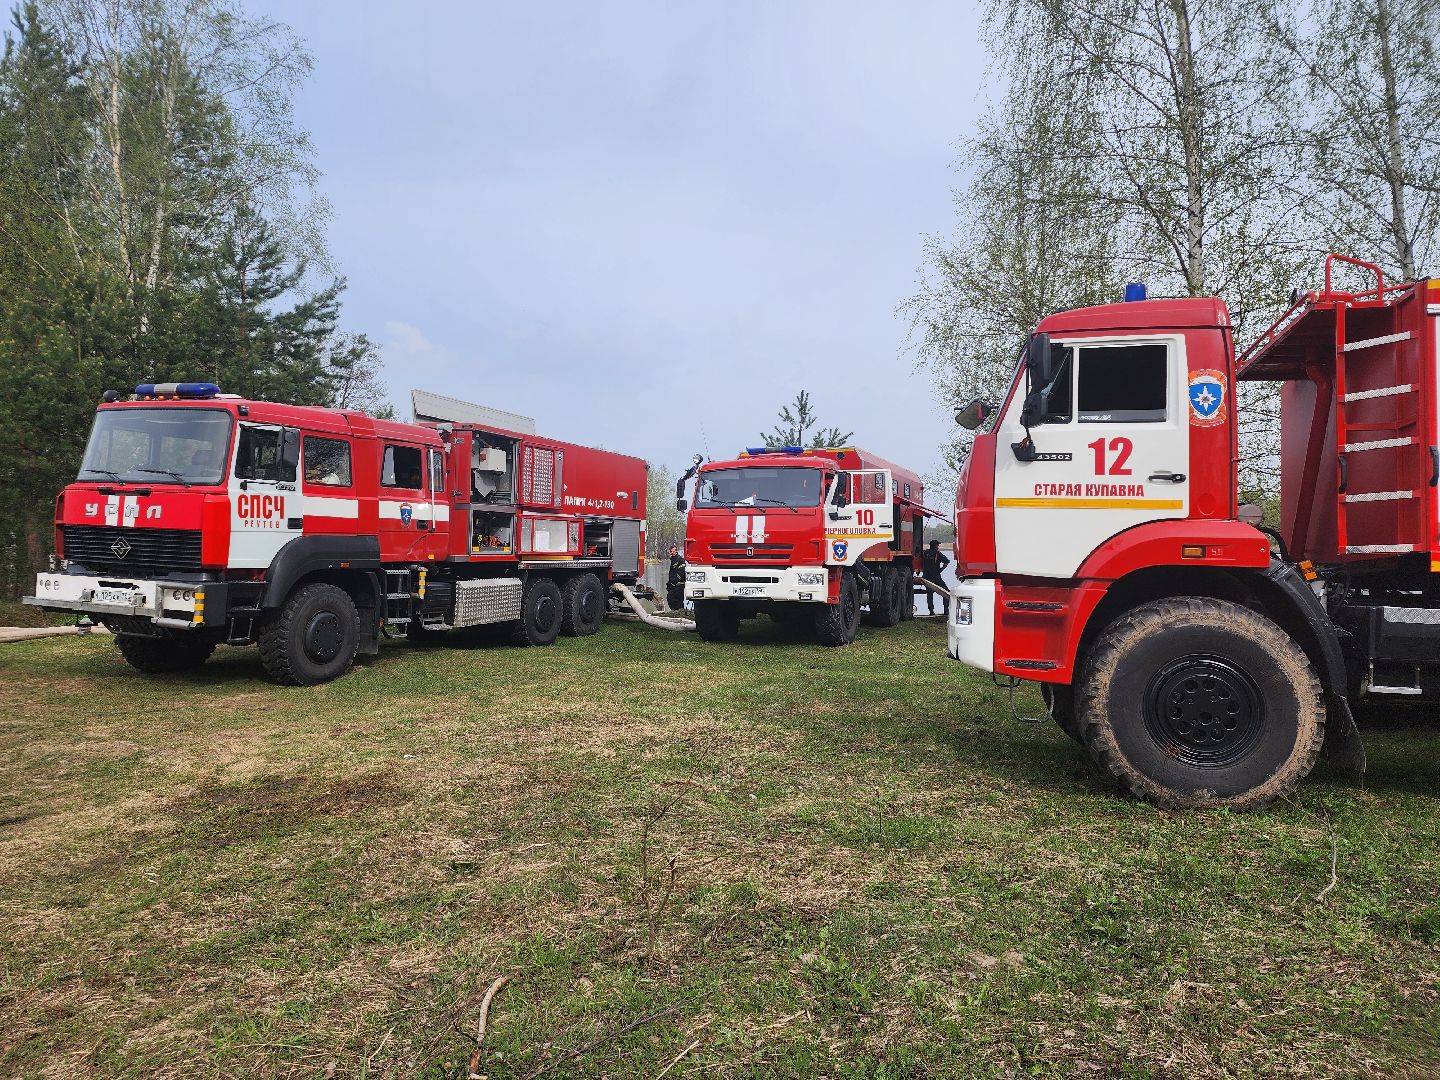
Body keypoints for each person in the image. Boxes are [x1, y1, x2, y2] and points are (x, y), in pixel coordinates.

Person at [921, 539, 950, 616]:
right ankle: (946, 610)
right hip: (936, 577)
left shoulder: (925, 553)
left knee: (929, 594)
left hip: (926, 577)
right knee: (946, 592)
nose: (938, 547)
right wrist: (941, 569)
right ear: (935, 546)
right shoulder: (938, 554)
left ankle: (931, 611)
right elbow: (947, 561)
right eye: (937, 545)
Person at [666, 544, 687, 611]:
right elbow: (672, 573)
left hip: (679, 584)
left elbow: (682, 572)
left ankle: (680, 612)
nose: (672, 553)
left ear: (676, 551)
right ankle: (676, 612)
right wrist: (669, 584)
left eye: (673, 551)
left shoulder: (680, 560)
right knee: (671, 599)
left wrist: (675, 582)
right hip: (674, 585)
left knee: (676, 599)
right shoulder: (673, 560)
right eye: (671, 551)